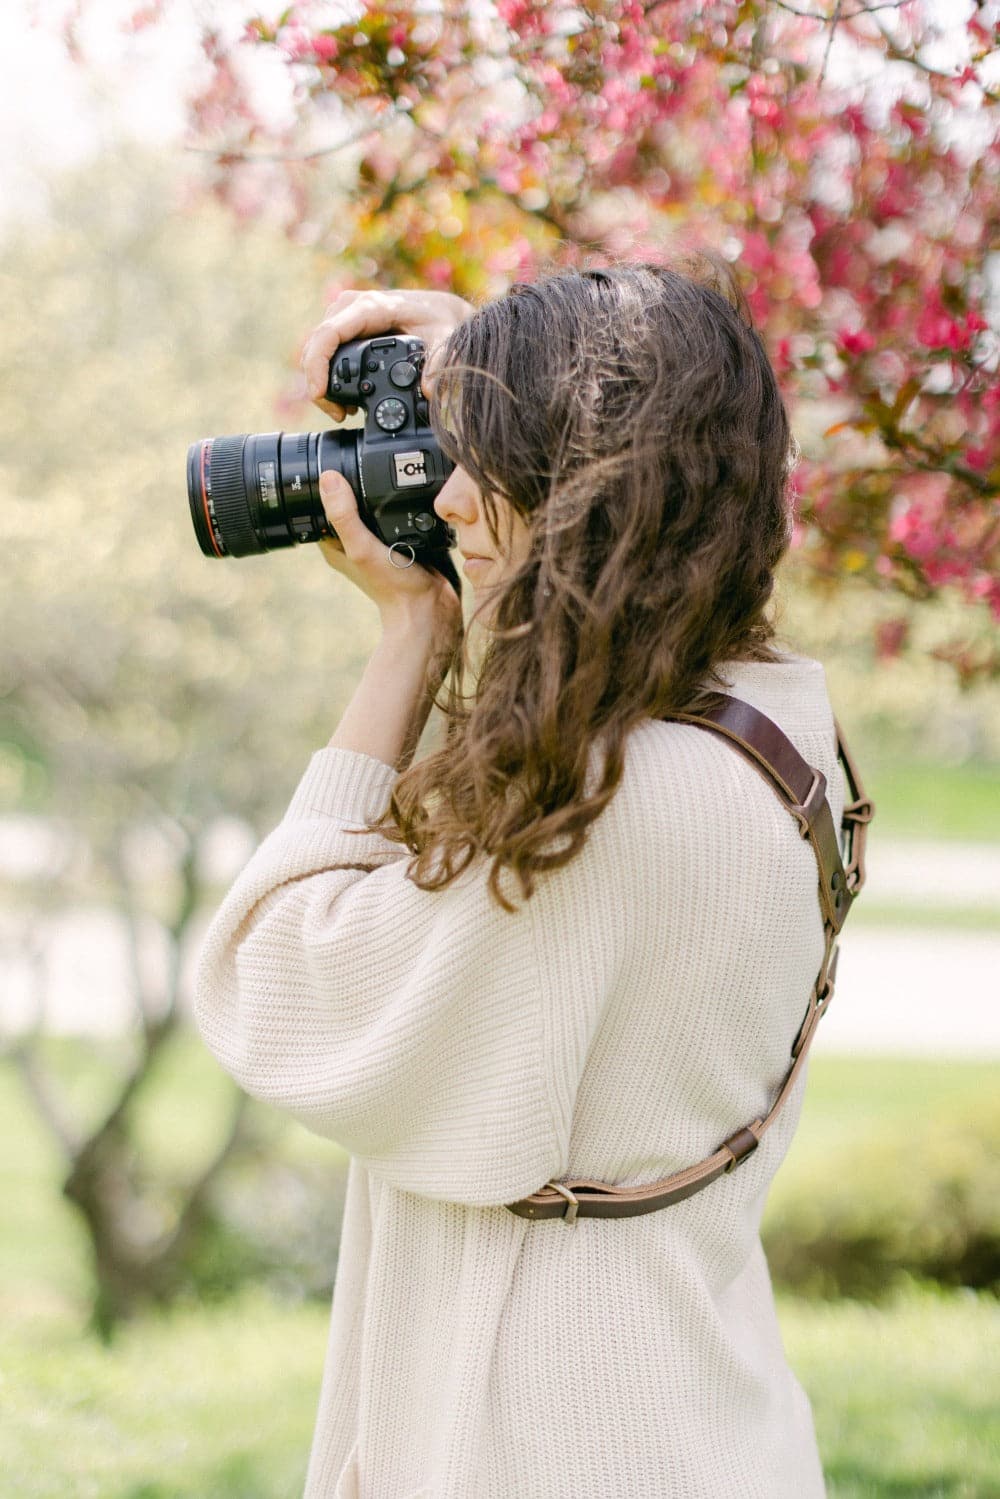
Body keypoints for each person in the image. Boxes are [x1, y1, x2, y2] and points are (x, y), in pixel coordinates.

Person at [193, 261, 843, 1498]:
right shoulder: (776, 723)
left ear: (591, 491)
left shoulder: (594, 815)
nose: (443, 497)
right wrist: (502, 359)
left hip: (541, 1443)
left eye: (483, 460)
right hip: (708, 1420)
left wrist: (410, 638)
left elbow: (271, 983)